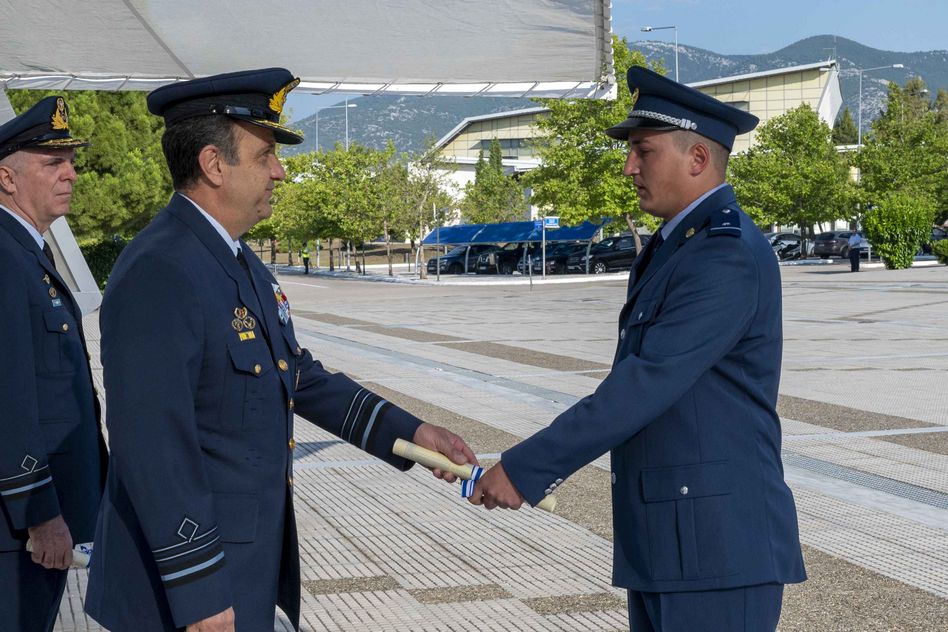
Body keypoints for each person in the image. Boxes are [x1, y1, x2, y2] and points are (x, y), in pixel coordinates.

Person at [84, 68, 476, 632]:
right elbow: (151, 443)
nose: (280, 171)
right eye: (265, 154)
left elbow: (297, 376)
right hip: (185, 588)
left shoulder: (235, 259)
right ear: (214, 165)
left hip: (240, 566)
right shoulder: (161, 268)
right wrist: (198, 591)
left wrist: (411, 433)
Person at [470, 67, 807, 632]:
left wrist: (527, 468)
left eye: (643, 151)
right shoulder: (678, 246)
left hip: (717, 548)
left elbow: (645, 382)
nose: (629, 167)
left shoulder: (722, 255)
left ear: (697, 158)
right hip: (672, 542)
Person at [0, 96, 108, 632]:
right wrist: (39, 513)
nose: (70, 174)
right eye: (52, 163)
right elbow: (8, 397)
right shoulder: (4, 257)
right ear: (7, 178)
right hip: (16, 531)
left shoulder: (27, 251)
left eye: (71, 162)